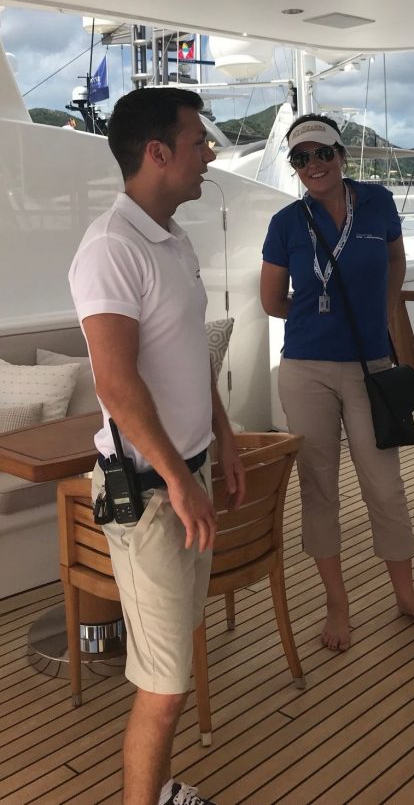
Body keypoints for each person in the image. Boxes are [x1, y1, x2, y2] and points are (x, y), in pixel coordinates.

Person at [69, 87, 244, 805]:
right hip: (147, 494)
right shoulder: (111, 247)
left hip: (186, 476)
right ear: (157, 152)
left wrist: (224, 437)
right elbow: (116, 383)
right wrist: (176, 477)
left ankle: (162, 788)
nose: (210, 153)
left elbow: (187, 357)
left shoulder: (171, 239)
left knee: (172, 662)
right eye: (199, 141)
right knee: (165, 683)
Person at [260, 113, 414, 652]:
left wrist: (383, 313)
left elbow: (395, 260)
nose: (314, 165)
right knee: (319, 488)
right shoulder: (286, 222)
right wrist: (318, 315)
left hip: (371, 366)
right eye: (301, 158)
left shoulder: (378, 203)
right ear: (294, 167)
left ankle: (406, 594)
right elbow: (271, 300)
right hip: (306, 370)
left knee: (385, 484)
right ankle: (337, 604)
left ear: (342, 155)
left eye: (323, 153)